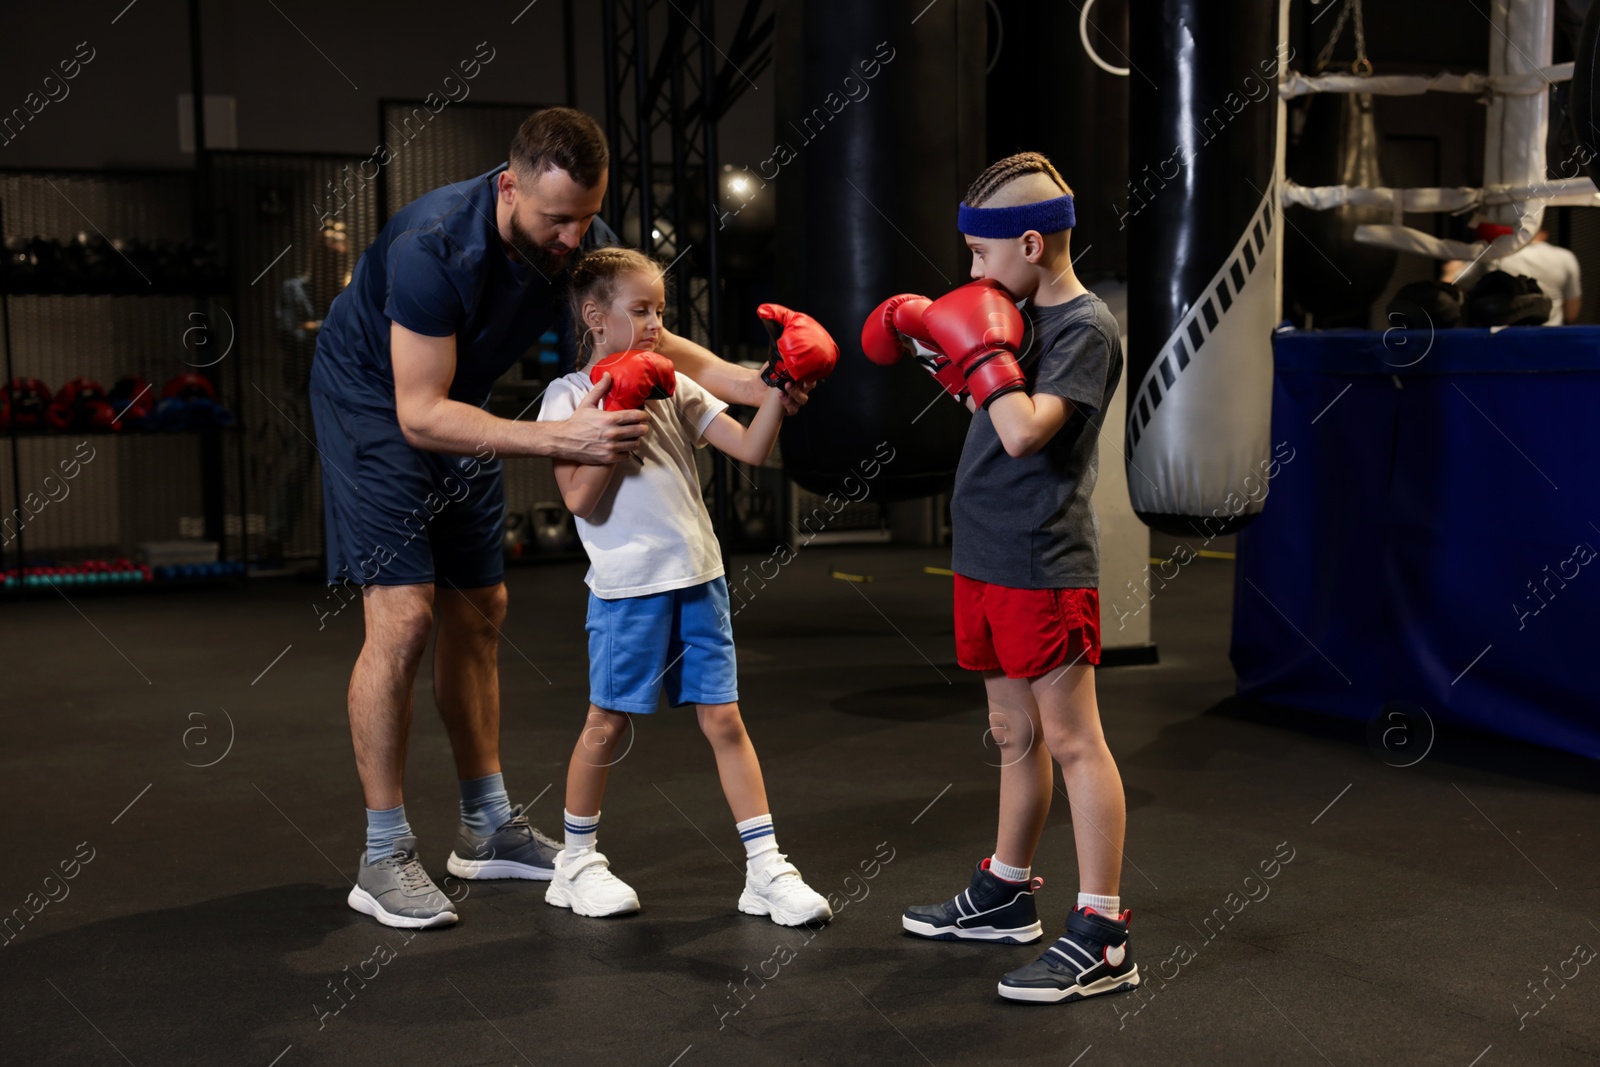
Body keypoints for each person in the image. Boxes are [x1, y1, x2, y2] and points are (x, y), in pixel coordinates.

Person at [309, 107, 810, 930]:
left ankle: (484, 823)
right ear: (509, 187)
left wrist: (757, 383)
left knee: (481, 608)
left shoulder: (580, 233)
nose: (575, 237)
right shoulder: (433, 246)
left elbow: (649, 334)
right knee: (403, 616)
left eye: (586, 216)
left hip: (457, 404)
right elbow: (418, 412)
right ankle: (384, 848)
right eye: (556, 219)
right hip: (378, 405)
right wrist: (556, 435)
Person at [865, 152, 1139, 1004]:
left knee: (1072, 737)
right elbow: (988, 410)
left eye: (982, 258)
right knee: (1010, 732)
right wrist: (947, 354)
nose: (973, 275)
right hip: (983, 553)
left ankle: (1103, 931)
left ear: (1031, 243)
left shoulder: (1086, 328)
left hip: (1041, 561)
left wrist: (973, 348)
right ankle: (1008, 889)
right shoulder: (1010, 320)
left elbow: (1024, 433)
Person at [535, 247, 835, 925]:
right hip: (626, 588)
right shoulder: (567, 397)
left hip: (700, 575)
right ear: (595, 316)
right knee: (606, 722)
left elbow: (752, 449)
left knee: (724, 719)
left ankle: (764, 868)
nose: (654, 323)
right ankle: (575, 862)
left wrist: (781, 393)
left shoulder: (677, 382)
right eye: (639, 310)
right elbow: (581, 500)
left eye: (660, 310)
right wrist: (616, 411)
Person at [1444, 226, 1582, 325]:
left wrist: (1450, 271)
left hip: (1502, 343)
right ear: (1542, 233)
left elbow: (1447, 291)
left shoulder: (1496, 253)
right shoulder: (1566, 257)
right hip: (1550, 343)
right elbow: (1571, 314)